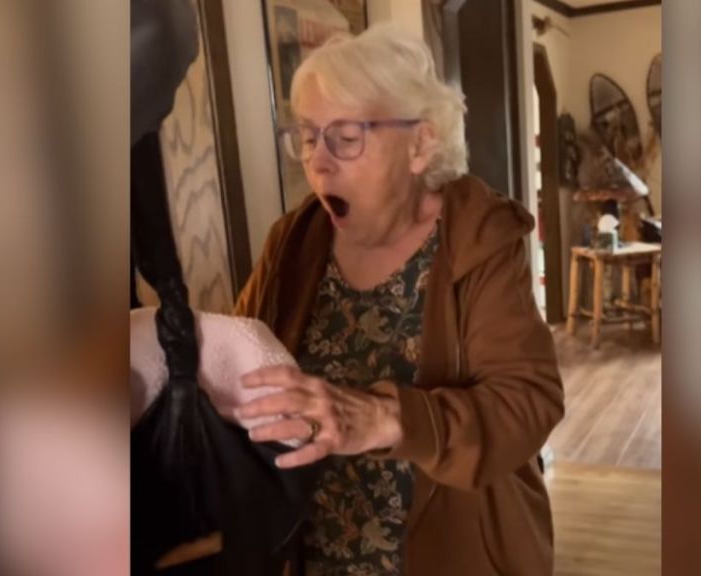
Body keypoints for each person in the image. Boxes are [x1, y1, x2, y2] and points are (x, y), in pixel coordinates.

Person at [233, 25, 564, 576]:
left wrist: (387, 420)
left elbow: (529, 402)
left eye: (345, 136)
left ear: (420, 144)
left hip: (450, 553)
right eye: (309, 136)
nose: (318, 162)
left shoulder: (478, 240)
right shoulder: (291, 242)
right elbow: (238, 364)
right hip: (311, 553)